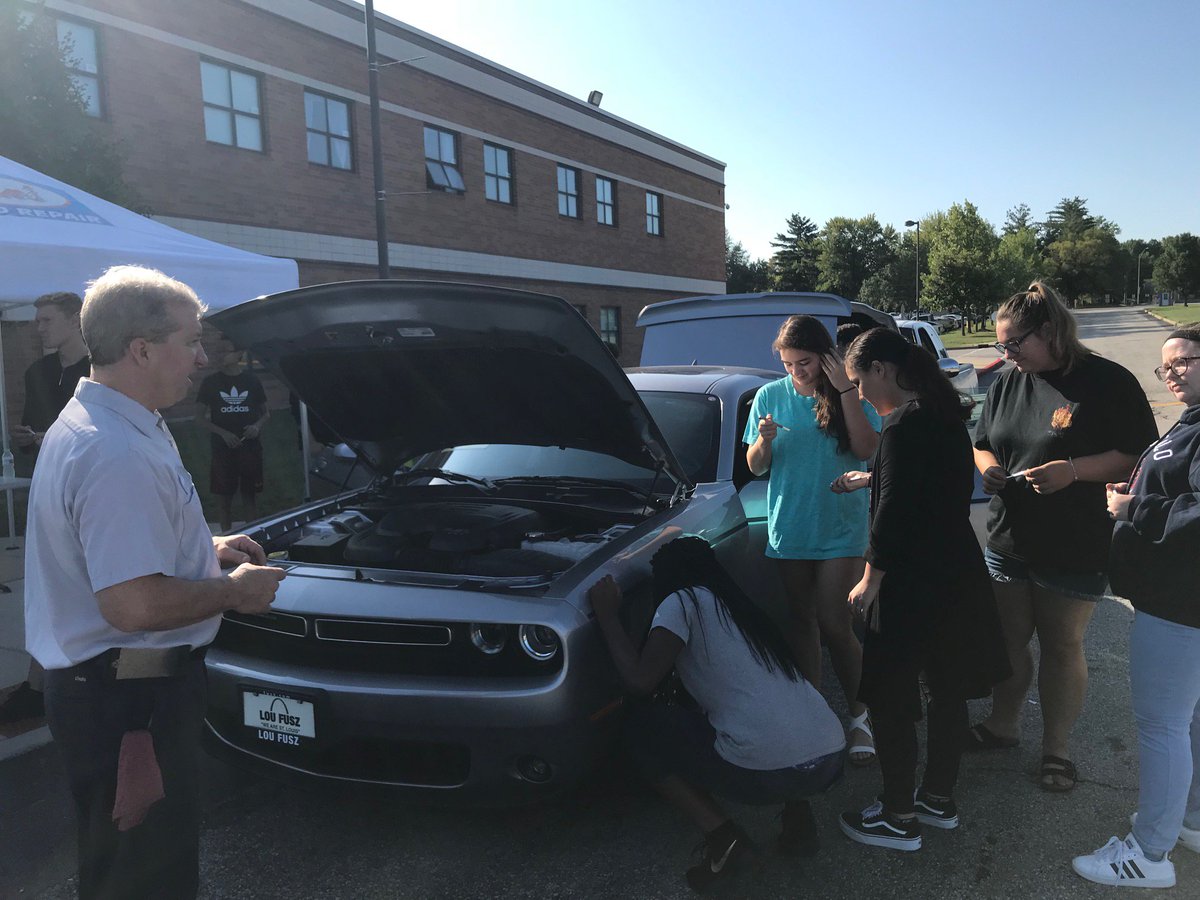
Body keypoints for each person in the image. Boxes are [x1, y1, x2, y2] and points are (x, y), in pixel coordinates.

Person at [24, 265, 286, 899]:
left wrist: (205, 547)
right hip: (127, 702)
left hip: (115, 696)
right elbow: (133, 603)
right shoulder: (114, 451)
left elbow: (113, 545)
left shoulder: (118, 420)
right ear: (141, 349)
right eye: (190, 341)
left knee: (126, 865)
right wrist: (232, 591)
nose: (201, 358)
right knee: (145, 877)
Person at [966, 281, 1157, 791]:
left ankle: (1057, 749)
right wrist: (987, 468)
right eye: (1001, 346)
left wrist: (1073, 470)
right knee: (1008, 641)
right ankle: (1002, 725)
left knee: (1061, 645)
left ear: (1049, 331)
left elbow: (1140, 455)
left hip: (1075, 541)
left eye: (1013, 343)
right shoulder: (1009, 382)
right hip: (1009, 536)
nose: (1006, 354)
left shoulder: (1106, 381)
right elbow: (983, 442)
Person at [832, 328, 1009, 851]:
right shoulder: (944, 419)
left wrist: (870, 579)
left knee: (890, 696)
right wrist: (873, 477)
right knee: (946, 691)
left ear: (883, 369)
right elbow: (927, 488)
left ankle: (897, 816)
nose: (860, 393)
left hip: (909, 585)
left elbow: (896, 514)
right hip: (955, 578)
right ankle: (937, 800)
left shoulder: (903, 428)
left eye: (860, 381)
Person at [589, 536, 845, 892]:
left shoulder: (681, 601)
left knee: (641, 729)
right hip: (830, 757)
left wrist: (607, 616)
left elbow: (639, 682)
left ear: (667, 578)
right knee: (769, 713)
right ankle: (799, 823)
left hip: (768, 773)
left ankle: (725, 841)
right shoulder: (742, 610)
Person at [1070, 326, 1200, 888]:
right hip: (1181, 597)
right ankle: (1188, 819)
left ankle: (1148, 854)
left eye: (1184, 362)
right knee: (1189, 721)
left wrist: (1133, 506)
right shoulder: (1193, 421)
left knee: (1162, 725)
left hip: (1179, 601)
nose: (1171, 373)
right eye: (1164, 366)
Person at [743, 314, 881, 764]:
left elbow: (867, 451)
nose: (796, 372)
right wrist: (763, 442)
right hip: (790, 527)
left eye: (804, 362)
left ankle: (862, 719)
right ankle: (814, 715)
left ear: (825, 357)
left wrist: (843, 389)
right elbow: (755, 467)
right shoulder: (769, 397)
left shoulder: (847, 392)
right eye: (788, 364)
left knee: (835, 623)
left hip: (840, 526)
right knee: (800, 621)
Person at [0, 291, 90, 725]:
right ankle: (42, 681)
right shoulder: (38, 371)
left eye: (46, 320)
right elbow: (34, 427)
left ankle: (62, 680)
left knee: (80, 585)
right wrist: (26, 439)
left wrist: (47, 438)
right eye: (36, 320)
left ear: (76, 320)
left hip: (87, 493)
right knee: (46, 586)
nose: (38, 328)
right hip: (46, 488)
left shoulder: (98, 371)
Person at [195, 335, 269, 532]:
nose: (220, 356)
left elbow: (266, 413)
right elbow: (199, 418)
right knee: (224, 499)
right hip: (223, 450)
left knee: (249, 497)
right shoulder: (211, 382)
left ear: (238, 355)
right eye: (218, 352)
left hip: (250, 448)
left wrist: (256, 427)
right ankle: (226, 538)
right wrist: (223, 433)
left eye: (225, 351)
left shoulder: (251, 381)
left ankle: (254, 537)